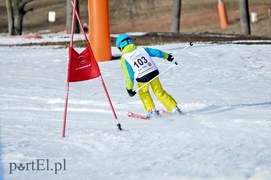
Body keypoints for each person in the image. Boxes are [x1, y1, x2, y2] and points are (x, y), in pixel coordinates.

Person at [116, 34, 183, 118]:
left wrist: (129, 88)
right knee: (159, 92)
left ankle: (152, 112)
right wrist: (167, 56)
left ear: (120, 47)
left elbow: (129, 75)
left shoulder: (124, 58)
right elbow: (156, 52)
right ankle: (175, 109)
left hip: (142, 77)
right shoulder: (142, 49)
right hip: (153, 73)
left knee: (144, 93)